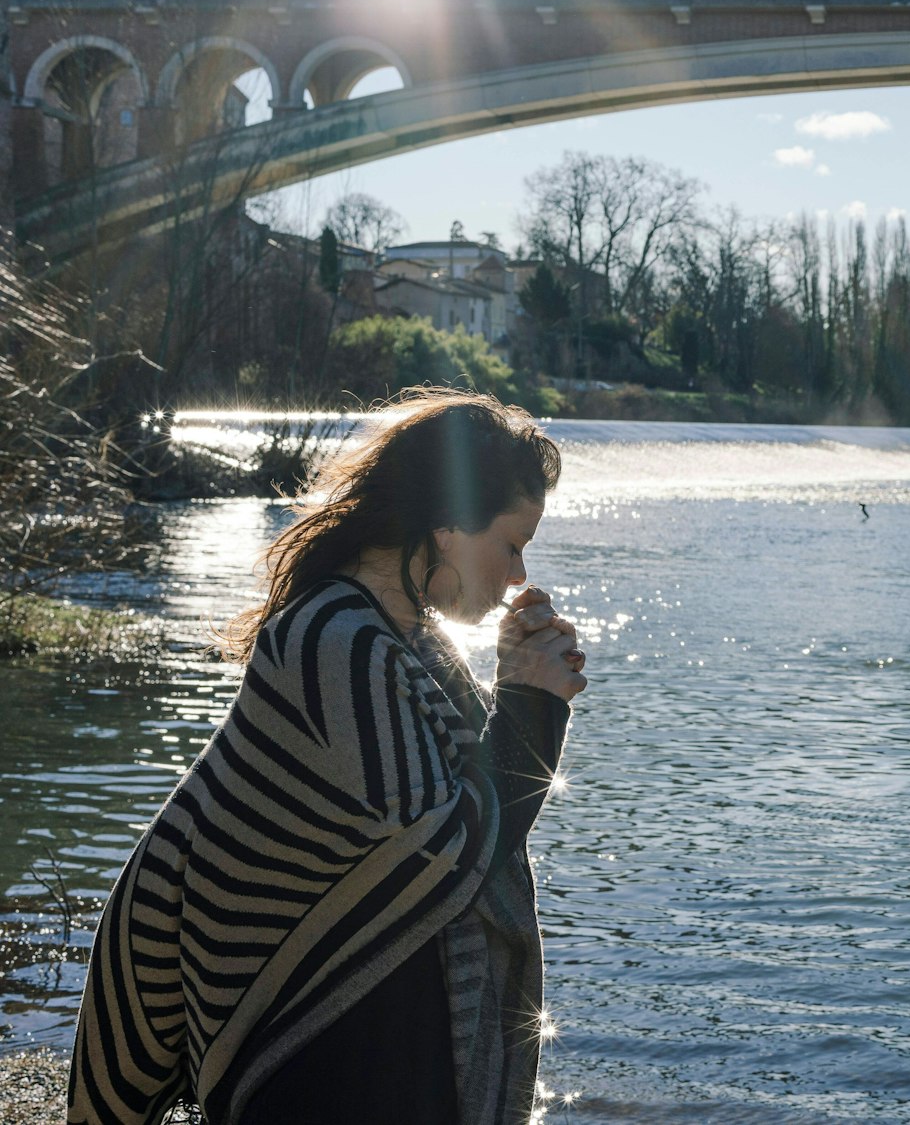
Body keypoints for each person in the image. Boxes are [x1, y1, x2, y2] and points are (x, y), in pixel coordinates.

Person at [68, 389, 587, 1124]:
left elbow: (458, 823)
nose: (515, 573)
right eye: (511, 544)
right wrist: (532, 704)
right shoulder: (330, 642)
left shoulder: (399, 639)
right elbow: (447, 856)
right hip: (314, 1057)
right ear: (446, 526)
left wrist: (524, 691)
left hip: (360, 1046)